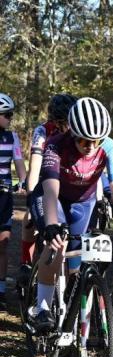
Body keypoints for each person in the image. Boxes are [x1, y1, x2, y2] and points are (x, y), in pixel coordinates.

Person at [28, 97, 113, 331]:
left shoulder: (110, 148)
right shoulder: (54, 145)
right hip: (52, 197)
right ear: (72, 132)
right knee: (57, 244)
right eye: (84, 140)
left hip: (83, 202)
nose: (91, 146)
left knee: (76, 262)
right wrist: (51, 225)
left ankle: (69, 323)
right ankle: (41, 307)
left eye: (97, 140)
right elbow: (51, 188)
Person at [19, 94, 76, 280]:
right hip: (45, 181)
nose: (64, 126)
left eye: (66, 121)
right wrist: (31, 193)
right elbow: (35, 167)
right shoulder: (42, 131)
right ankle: (25, 262)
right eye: (59, 122)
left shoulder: (79, 130)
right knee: (30, 217)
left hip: (67, 182)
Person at [0, 93, 27, 310]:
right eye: (7, 114)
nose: (10, 118)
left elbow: (19, 161)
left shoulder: (12, 138)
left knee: (4, 242)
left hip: (4, 196)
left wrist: (23, 180)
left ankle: (0, 289)